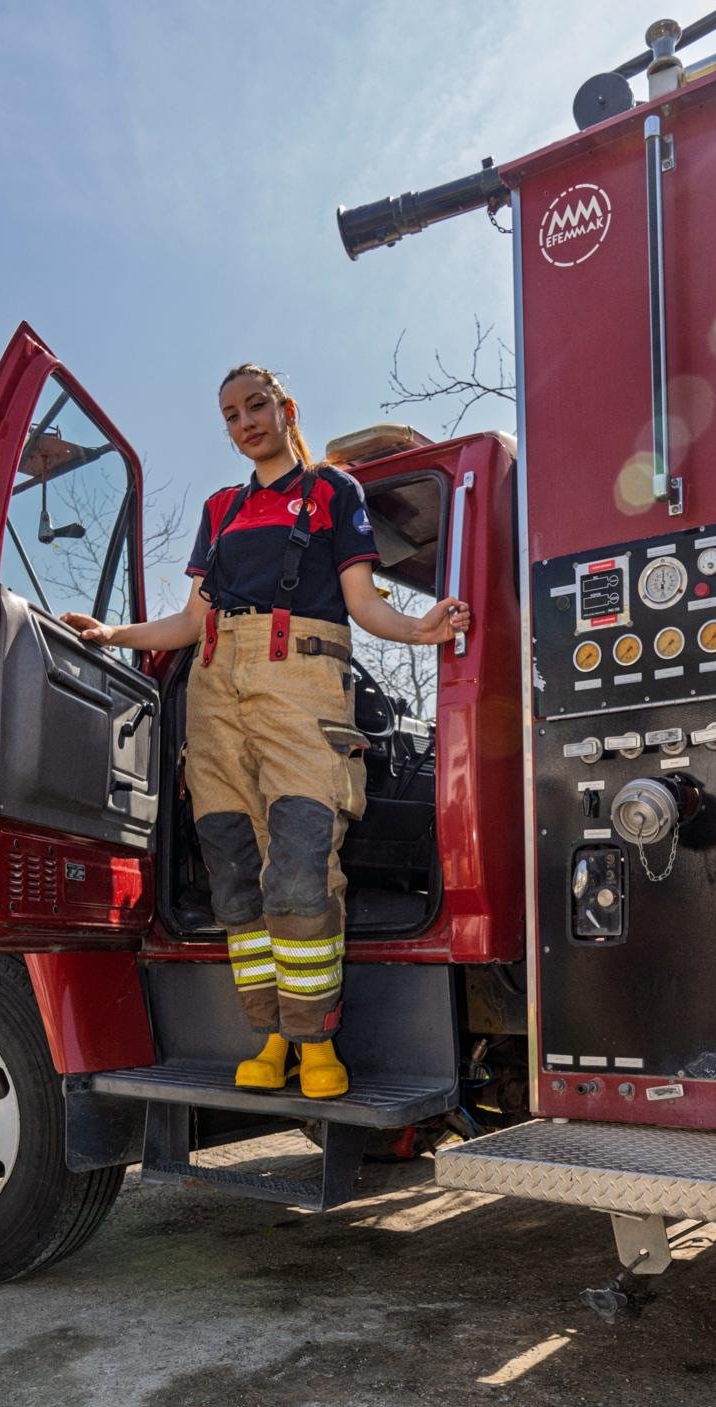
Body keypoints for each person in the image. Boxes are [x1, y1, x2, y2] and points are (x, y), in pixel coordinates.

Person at [63, 363, 469, 1099]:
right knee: (231, 875)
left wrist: (420, 627)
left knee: (301, 865)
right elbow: (191, 622)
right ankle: (271, 1036)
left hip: (299, 684)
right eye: (232, 414)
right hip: (216, 691)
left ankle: (316, 1043)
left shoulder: (331, 492)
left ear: (286, 409)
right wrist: (111, 633)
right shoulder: (220, 509)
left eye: (257, 406)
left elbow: (361, 603)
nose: (246, 421)